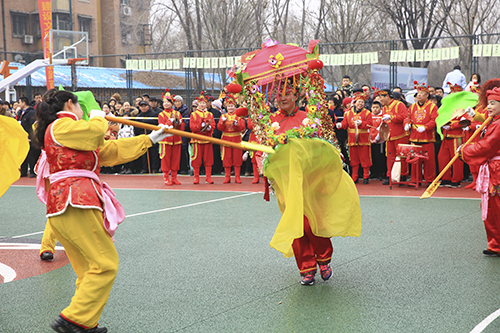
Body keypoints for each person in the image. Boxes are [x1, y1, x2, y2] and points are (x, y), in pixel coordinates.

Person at [35, 90, 169, 333]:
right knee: (105, 263)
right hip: (75, 201)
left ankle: (84, 323)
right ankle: (73, 319)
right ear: (69, 104)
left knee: (89, 269)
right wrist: (98, 116)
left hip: (68, 204)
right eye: (81, 107)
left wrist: (150, 139)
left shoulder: (72, 132)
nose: (83, 112)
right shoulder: (61, 125)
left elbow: (109, 151)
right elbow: (96, 133)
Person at [459, 81, 500, 256]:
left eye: (492, 103)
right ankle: (495, 244)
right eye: (488, 103)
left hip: (497, 171)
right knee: (491, 208)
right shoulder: (493, 121)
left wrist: (465, 150)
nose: (488, 107)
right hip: (492, 169)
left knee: (496, 207)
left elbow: (487, 147)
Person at [404, 81, 438, 184]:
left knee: (429, 162)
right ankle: (415, 180)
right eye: (418, 93)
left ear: (427, 95)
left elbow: (434, 120)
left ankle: (429, 180)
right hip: (414, 138)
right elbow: (407, 117)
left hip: (427, 138)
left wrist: (426, 127)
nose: (419, 95)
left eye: (421, 93)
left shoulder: (432, 107)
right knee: (414, 161)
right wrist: (406, 124)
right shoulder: (412, 106)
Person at [336, 91, 373, 184]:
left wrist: (362, 123)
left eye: (362, 102)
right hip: (352, 138)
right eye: (358, 102)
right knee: (354, 159)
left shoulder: (367, 113)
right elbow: (345, 123)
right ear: (355, 103)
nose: (360, 104)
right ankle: (355, 176)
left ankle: (365, 176)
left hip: (363, 138)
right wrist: (341, 124)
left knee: (365, 158)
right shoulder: (348, 113)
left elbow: (370, 124)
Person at [379, 89, 409, 185]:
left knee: (402, 156)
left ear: (387, 96)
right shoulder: (384, 108)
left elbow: (404, 117)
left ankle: (403, 175)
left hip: (400, 135)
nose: (380, 99)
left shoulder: (399, 105)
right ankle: (390, 176)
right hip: (389, 136)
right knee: (390, 157)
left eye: (381, 97)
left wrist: (392, 117)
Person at [217, 94, 245, 183]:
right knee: (227, 157)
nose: (230, 108)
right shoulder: (223, 116)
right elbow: (219, 128)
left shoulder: (239, 116)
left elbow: (242, 128)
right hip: (226, 139)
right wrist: (222, 122)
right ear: (226, 107)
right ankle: (227, 176)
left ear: (235, 106)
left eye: (232, 106)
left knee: (237, 158)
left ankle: (237, 176)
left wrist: (237, 124)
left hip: (236, 138)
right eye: (229, 106)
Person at [158, 89, 185, 185]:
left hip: (176, 139)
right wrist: (170, 121)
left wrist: (180, 123)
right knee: (165, 159)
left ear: (172, 103)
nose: (165, 104)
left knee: (175, 159)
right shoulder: (161, 115)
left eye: (167, 102)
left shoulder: (178, 114)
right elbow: (162, 127)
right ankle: (166, 177)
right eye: (164, 102)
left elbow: (181, 128)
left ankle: (174, 177)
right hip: (166, 140)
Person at [189, 91, 215, 184]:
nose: (202, 105)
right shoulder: (194, 114)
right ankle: (196, 177)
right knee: (196, 159)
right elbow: (192, 127)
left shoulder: (210, 114)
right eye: (200, 103)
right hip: (197, 139)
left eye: (204, 103)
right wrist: (201, 125)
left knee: (208, 159)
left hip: (207, 139)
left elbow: (213, 125)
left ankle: (208, 177)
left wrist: (209, 127)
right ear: (198, 104)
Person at [134, 100, 160, 173]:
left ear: (148, 106)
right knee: (144, 154)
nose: (144, 108)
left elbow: (156, 124)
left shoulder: (154, 114)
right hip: (143, 137)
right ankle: (146, 168)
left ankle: (155, 168)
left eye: (145, 106)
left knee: (154, 154)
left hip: (152, 136)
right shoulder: (139, 116)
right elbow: (136, 127)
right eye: (142, 106)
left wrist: (145, 124)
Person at [17, 96, 40, 178]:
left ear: (24, 103)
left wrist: (30, 137)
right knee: (23, 155)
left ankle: (32, 172)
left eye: (19, 102)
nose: (18, 104)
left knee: (31, 155)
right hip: (21, 137)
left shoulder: (31, 113)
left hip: (28, 137)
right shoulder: (20, 113)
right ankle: (23, 171)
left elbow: (32, 126)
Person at [369, 101, 387, 180]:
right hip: (370, 140)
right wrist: (369, 139)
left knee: (380, 158)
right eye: (373, 107)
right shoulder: (369, 116)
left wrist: (376, 139)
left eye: (377, 107)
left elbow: (381, 129)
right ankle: (373, 173)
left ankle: (381, 173)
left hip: (379, 141)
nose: (375, 109)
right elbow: (367, 128)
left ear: (380, 108)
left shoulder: (382, 117)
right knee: (372, 157)